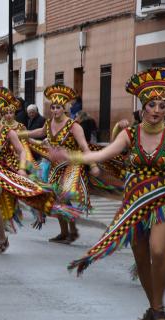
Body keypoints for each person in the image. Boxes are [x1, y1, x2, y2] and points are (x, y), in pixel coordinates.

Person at [49, 67, 165, 320]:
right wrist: (71, 157)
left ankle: (158, 307)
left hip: (162, 201)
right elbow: (101, 155)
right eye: (152, 104)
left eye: (162, 106)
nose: (156, 109)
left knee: (157, 250)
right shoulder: (129, 135)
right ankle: (155, 308)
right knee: (141, 256)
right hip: (134, 201)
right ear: (143, 107)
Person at [0, 85, 69, 253]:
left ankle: (2, 239)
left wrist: (21, 169)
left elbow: (21, 151)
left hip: (1, 173)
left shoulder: (8, 132)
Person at [20, 85, 100, 243]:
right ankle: (66, 232)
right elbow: (40, 132)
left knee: (62, 197)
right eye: (53, 107)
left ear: (65, 109)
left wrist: (93, 165)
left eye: (58, 108)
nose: (55, 110)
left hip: (71, 165)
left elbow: (84, 147)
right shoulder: (49, 123)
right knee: (55, 198)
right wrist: (21, 134)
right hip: (54, 166)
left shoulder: (74, 126)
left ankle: (71, 232)